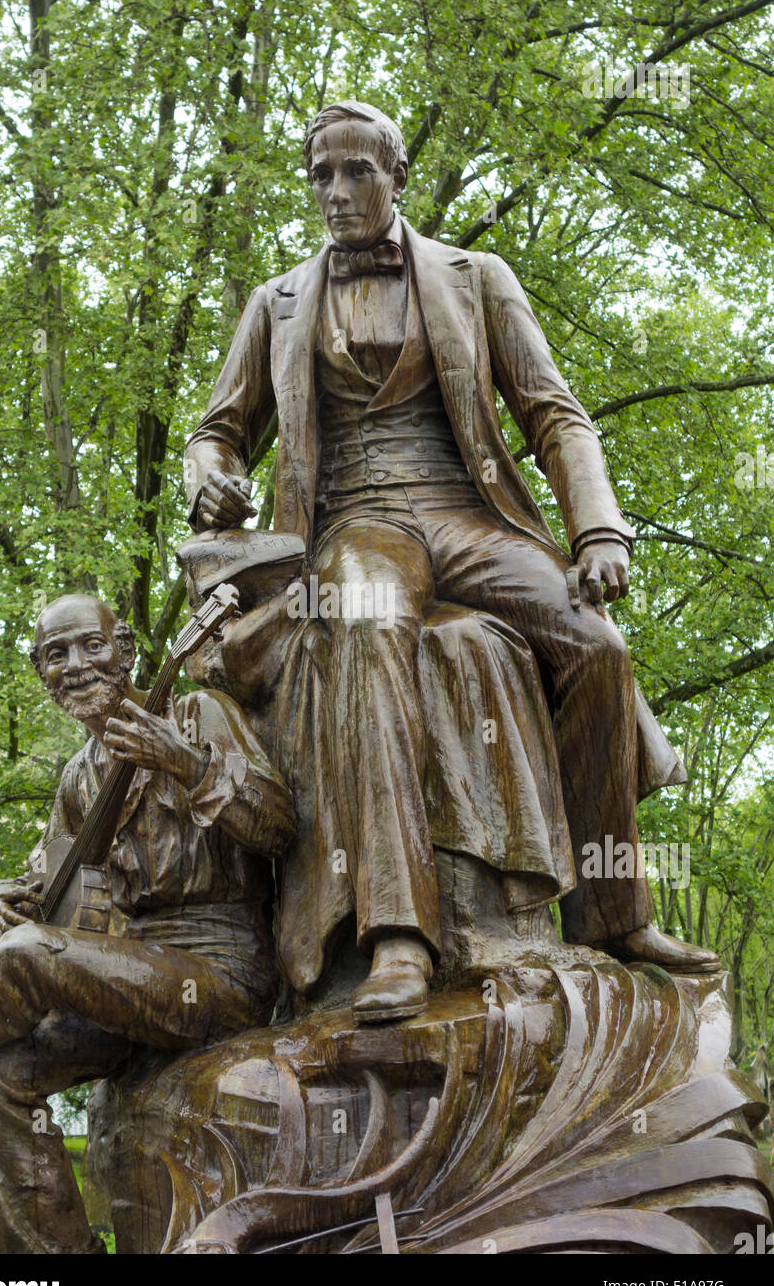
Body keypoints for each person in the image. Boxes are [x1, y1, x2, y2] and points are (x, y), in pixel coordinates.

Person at [183, 100, 718, 1025]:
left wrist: (598, 531)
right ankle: (400, 935)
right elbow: (218, 431)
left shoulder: (476, 278)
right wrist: (210, 479)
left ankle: (617, 914)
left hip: (470, 517)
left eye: (356, 171)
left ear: (396, 176)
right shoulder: (274, 303)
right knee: (370, 627)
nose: (337, 191)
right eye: (321, 174)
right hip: (357, 525)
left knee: (599, 648)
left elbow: (554, 412)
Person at [0, 593, 294, 1252]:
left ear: (129, 650)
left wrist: (189, 763)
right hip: (127, 988)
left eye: (92, 644)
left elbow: (280, 828)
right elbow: (42, 887)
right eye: (55, 655)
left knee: (30, 957)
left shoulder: (198, 713)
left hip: (221, 976)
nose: (76, 665)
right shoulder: (77, 780)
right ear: (41, 673)